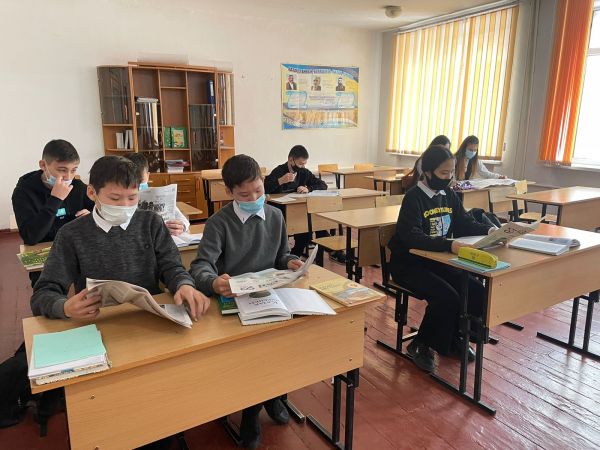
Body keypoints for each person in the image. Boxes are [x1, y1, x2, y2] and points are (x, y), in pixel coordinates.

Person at [190, 154, 303, 449]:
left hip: (271, 296)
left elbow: (280, 255)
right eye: (244, 195)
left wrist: (290, 261)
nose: (254, 199)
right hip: (235, 302)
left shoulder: (275, 216)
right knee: (255, 353)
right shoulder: (218, 223)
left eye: (258, 191)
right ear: (229, 192)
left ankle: (274, 395)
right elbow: (201, 267)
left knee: (286, 342)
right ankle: (252, 412)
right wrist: (214, 282)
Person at [30, 155, 210, 322]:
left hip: (148, 317)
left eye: (132, 197)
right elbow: (43, 292)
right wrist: (64, 307)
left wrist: (184, 285)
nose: (125, 206)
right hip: (100, 320)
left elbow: (172, 267)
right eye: (115, 198)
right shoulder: (71, 234)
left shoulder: (151, 222)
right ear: (92, 193)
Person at [388, 145, 494, 373]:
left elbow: (464, 222)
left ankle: (453, 336)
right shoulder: (414, 197)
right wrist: (449, 245)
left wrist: (491, 231)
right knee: (447, 297)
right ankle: (421, 344)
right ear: (427, 172)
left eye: (452, 172)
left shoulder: (449, 196)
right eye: (444, 173)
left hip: (437, 261)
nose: (449, 178)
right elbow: (411, 237)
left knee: (476, 290)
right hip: (409, 264)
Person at [12, 139, 94, 287]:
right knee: (47, 291)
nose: (68, 177)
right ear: (43, 165)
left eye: (74, 170)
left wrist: (92, 216)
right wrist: (55, 199)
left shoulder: (78, 187)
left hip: (76, 250)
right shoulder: (23, 192)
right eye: (62, 170)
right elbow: (31, 237)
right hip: (45, 256)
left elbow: (99, 210)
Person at [264, 145, 328, 256]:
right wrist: (280, 181)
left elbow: (323, 185)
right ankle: (289, 255)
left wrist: (308, 188)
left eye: (304, 164)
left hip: (299, 211)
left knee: (310, 224)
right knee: (304, 224)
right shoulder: (279, 171)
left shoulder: (304, 172)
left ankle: (297, 254)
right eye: (300, 164)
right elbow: (264, 188)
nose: (302, 166)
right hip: (280, 212)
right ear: (291, 160)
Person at [124, 152, 190, 236]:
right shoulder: (120, 199)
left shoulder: (155, 195)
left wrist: (182, 226)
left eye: (141, 181)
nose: (137, 185)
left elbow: (182, 219)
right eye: (132, 181)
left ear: (148, 176)